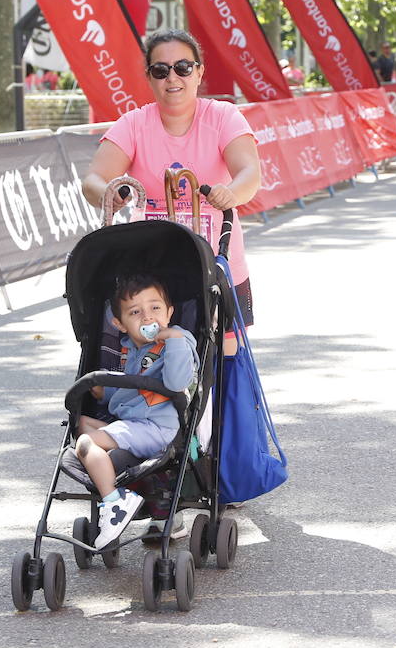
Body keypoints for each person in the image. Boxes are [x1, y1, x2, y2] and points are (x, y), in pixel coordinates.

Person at [81, 27, 261, 357]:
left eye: (183, 67)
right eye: (161, 71)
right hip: (154, 269)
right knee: (153, 357)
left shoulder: (223, 116)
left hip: (217, 263)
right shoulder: (133, 123)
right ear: (150, 78)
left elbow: (250, 173)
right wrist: (109, 191)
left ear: (199, 71)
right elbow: (93, 180)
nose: (172, 78)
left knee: (225, 357)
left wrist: (232, 193)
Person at [74, 273, 197, 548]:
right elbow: (131, 397)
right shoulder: (131, 350)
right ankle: (109, 469)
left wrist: (174, 336)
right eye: (135, 312)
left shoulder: (178, 343)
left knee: (85, 444)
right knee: (82, 423)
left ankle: (115, 503)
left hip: (157, 428)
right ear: (119, 323)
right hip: (136, 424)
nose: (147, 317)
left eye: (155, 308)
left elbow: (177, 383)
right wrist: (105, 393)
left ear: (170, 312)